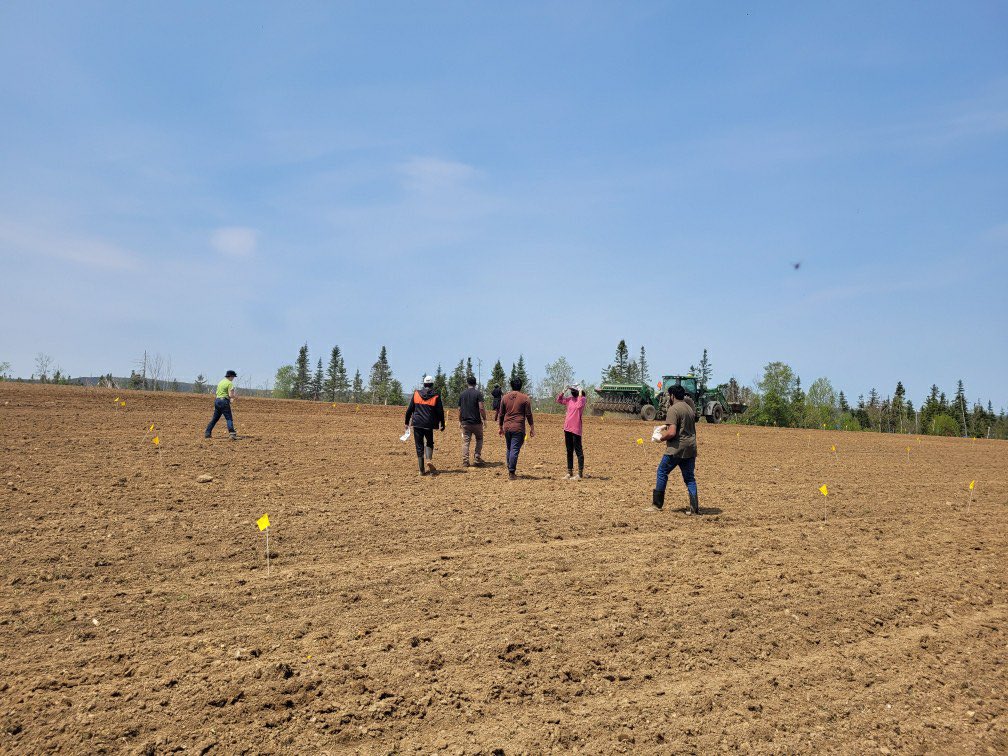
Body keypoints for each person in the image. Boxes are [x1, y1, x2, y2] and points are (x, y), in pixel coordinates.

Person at [649, 384, 699, 514]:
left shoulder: (673, 409)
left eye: (669, 395)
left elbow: (672, 432)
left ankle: (657, 505)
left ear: (672, 396)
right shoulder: (689, 409)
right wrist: (663, 427)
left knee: (662, 471)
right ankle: (694, 508)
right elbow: (682, 426)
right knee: (690, 478)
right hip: (691, 448)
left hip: (676, 449)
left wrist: (660, 438)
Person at [404, 375, 445, 476]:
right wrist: (442, 423)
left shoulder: (416, 394)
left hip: (417, 423)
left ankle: (421, 470)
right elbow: (440, 411)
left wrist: (406, 422)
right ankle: (429, 459)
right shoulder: (436, 396)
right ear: (432, 384)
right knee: (429, 442)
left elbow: (409, 410)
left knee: (419, 445)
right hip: (429, 424)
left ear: (424, 384)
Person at [498, 377, 534, 480]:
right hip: (518, 427)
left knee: (509, 448)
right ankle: (512, 472)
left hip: (507, 427)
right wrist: (532, 428)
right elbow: (529, 415)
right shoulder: (525, 398)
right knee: (514, 449)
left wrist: (500, 427)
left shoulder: (504, 398)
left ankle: (510, 469)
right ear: (521, 386)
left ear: (511, 385)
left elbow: (501, 414)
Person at [557, 384, 587, 479]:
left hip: (576, 429)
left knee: (578, 451)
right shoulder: (569, 399)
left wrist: (580, 392)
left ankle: (580, 474)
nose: (572, 392)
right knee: (569, 451)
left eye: (574, 390)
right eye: (571, 390)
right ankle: (569, 472)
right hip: (567, 428)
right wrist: (563, 391)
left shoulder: (582, 399)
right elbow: (559, 400)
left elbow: (578, 406)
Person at [458, 375, 487, 467]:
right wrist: (484, 419)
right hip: (476, 422)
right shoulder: (478, 393)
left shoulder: (462, 394)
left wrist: (460, 420)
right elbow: (481, 408)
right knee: (479, 439)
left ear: (467, 383)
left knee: (466, 442)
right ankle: (477, 457)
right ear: (475, 383)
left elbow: (459, 410)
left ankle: (465, 461)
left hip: (465, 422)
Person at [205, 370, 238, 440]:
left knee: (215, 418)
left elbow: (217, 392)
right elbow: (230, 395)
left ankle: (207, 433)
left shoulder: (221, 382)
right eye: (233, 377)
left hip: (217, 401)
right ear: (231, 376)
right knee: (229, 418)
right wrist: (234, 397)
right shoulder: (229, 383)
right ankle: (232, 434)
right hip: (224, 401)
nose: (233, 378)